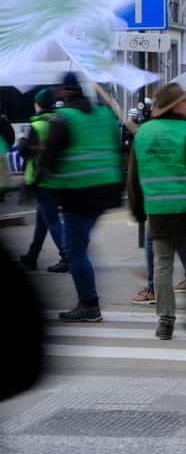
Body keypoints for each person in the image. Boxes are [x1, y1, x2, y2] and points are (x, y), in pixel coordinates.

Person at [127, 83, 186, 340]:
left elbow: (134, 178)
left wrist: (138, 211)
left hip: (159, 214)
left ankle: (165, 321)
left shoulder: (143, 134)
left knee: (162, 267)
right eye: (185, 101)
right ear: (175, 105)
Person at [41, 73, 124, 323]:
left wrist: (42, 183)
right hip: (106, 189)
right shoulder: (104, 114)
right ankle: (87, 290)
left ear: (63, 92)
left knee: (74, 250)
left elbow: (49, 158)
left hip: (77, 192)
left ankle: (89, 304)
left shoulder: (63, 117)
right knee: (81, 244)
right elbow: (117, 148)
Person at [17, 88, 69, 273]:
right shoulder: (58, 121)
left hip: (41, 179)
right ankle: (32, 256)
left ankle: (67, 256)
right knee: (43, 221)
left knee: (52, 221)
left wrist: (23, 139)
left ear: (38, 104)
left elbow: (25, 151)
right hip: (55, 176)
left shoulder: (37, 126)